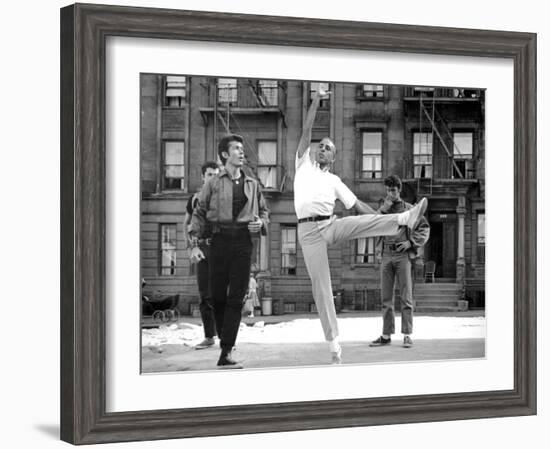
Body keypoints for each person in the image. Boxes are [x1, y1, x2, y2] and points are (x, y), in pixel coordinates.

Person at [294, 87, 428, 364]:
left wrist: (382, 222)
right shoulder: (303, 165)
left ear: (334, 158)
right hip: (308, 233)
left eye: (328, 148)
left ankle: (405, 218)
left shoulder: (335, 182)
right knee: (322, 286)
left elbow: (359, 208)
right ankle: (333, 344)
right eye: (320, 146)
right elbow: (306, 130)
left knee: (359, 221)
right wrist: (317, 100)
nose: (322, 148)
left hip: (329, 225)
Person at [189, 134, 269, 369]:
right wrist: (194, 243)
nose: (242, 152)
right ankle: (225, 339)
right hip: (218, 240)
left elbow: (264, 212)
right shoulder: (213, 183)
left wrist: (260, 224)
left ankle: (226, 350)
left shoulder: (252, 185)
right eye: (236, 149)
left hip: (243, 241)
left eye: (242, 149)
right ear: (225, 155)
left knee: (237, 296)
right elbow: (199, 212)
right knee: (217, 296)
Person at [370, 175, 430, 349]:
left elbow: (424, 228)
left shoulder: (410, 209)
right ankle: (386, 335)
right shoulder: (383, 209)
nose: (391, 193)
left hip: (403, 256)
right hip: (386, 255)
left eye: (394, 190)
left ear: (399, 190)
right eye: (388, 190)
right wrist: (385, 207)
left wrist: (411, 243)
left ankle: (407, 335)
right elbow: (373, 224)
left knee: (406, 296)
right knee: (386, 297)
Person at [183, 161, 220, 350]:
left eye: (216, 174)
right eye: (210, 175)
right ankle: (208, 336)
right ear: (203, 177)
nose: (214, 178)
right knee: (205, 295)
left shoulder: (226, 199)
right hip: (203, 250)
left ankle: (227, 338)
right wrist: (191, 248)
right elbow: (187, 225)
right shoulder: (195, 199)